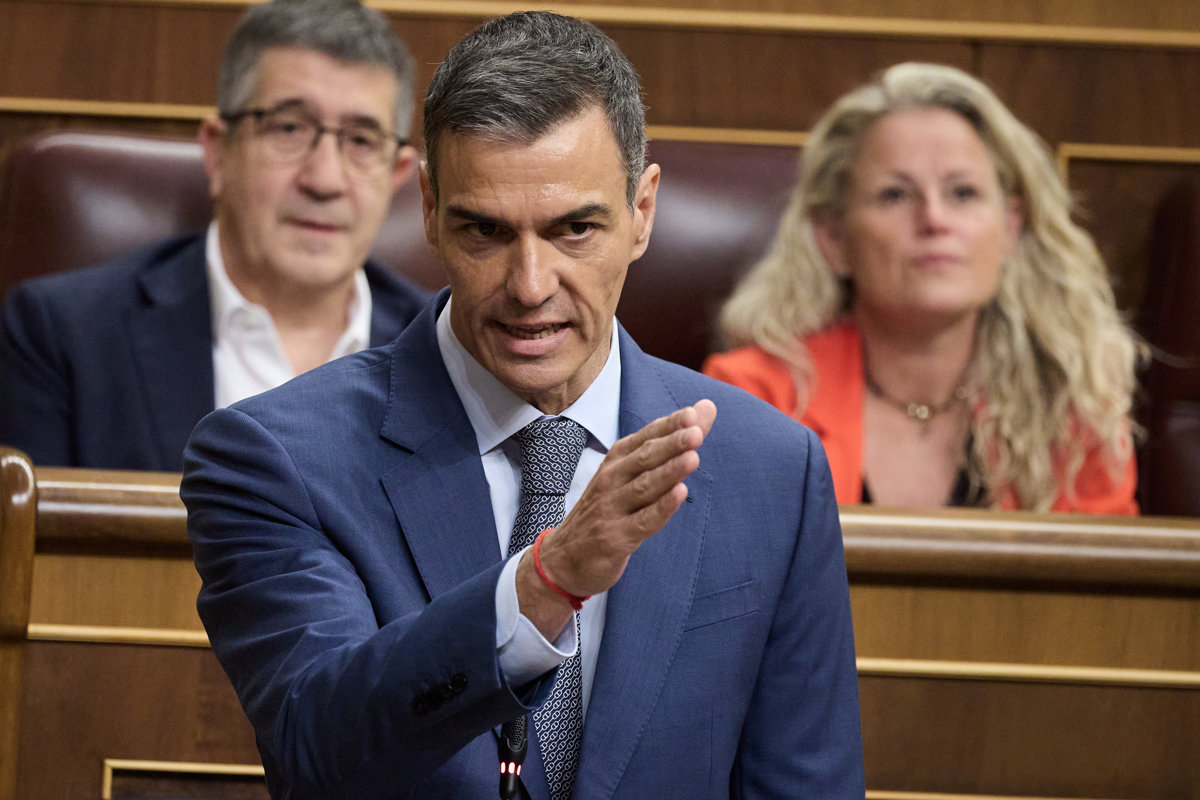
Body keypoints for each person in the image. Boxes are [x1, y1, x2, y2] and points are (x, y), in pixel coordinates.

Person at [182, 11, 863, 799]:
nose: (531, 286)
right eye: (486, 231)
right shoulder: (277, 459)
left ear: (642, 212)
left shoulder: (771, 468)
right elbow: (317, 751)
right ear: (430, 209)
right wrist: (545, 584)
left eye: (574, 229)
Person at [0, 0, 428, 471]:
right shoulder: (61, 335)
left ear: (397, 174)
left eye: (362, 141)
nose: (325, 180)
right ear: (219, 152)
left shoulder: (445, 350)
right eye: (289, 128)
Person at [703, 62, 1141, 514]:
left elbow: (1104, 562)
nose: (934, 219)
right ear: (834, 238)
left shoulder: (1072, 407)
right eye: (895, 194)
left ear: (1010, 228)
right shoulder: (752, 397)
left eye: (963, 192)